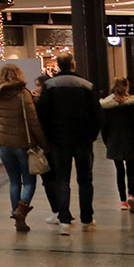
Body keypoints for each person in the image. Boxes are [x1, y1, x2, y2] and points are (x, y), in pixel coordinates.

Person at [36, 52, 102, 228]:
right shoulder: (87, 86)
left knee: (62, 179)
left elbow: (42, 114)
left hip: (58, 141)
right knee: (85, 179)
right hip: (82, 140)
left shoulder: (49, 86)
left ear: (58, 66)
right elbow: (96, 114)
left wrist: (48, 138)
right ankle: (87, 218)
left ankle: (64, 218)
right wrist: (92, 135)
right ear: (73, 65)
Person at [0, 63, 47, 232]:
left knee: (14, 181)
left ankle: (16, 215)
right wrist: (44, 142)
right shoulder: (23, 94)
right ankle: (20, 211)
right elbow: (33, 121)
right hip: (23, 143)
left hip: (4, 142)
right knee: (29, 181)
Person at [100, 78, 134, 212]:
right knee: (131, 171)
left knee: (119, 171)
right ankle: (132, 195)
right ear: (127, 87)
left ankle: (123, 200)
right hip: (130, 139)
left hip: (114, 140)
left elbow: (104, 127)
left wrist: (107, 142)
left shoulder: (107, 106)